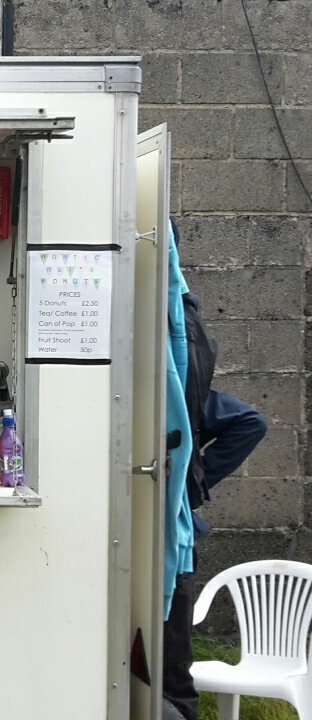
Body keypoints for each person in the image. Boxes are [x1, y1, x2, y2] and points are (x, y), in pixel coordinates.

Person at [161, 222, 268, 720]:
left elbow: (247, 422)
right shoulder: (183, 320)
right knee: (170, 648)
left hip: (168, 516)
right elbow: (247, 422)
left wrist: (191, 477)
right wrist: (194, 477)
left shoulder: (176, 327)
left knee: (169, 651)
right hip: (174, 508)